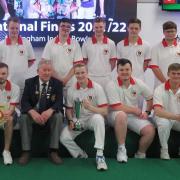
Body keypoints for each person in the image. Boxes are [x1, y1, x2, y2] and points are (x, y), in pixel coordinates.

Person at [60, 63, 108, 171]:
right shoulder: (71, 89)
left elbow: (105, 111)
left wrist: (91, 108)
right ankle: (81, 155)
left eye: (82, 72)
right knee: (64, 137)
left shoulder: (97, 88)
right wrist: (71, 120)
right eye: (77, 73)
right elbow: (69, 109)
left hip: (92, 119)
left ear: (87, 73)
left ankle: (100, 155)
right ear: (75, 75)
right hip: (79, 121)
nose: (80, 75)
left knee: (99, 119)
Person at [105, 59, 155, 162]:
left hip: (132, 116)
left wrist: (147, 112)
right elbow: (116, 106)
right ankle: (121, 150)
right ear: (117, 71)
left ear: (131, 70)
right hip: (113, 115)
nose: (124, 72)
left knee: (150, 131)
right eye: (121, 70)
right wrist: (134, 110)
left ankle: (140, 154)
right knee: (121, 115)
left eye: (127, 69)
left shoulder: (138, 83)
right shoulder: (111, 84)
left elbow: (150, 98)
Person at [18, 60, 64, 165]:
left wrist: (50, 110)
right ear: (38, 71)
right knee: (24, 117)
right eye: (44, 70)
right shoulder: (29, 82)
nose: (47, 73)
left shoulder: (57, 83)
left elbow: (59, 102)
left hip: (49, 116)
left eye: (49, 70)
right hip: (34, 115)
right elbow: (24, 101)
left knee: (58, 116)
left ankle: (53, 151)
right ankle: (26, 151)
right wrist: (32, 112)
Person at [42, 18, 83, 98]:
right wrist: (59, 80)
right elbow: (46, 64)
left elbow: (77, 64)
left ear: (70, 29)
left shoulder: (75, 44)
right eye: (63, 26)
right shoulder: (50, 44)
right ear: (58, 27)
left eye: (68, 27)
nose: (65, 28)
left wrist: (65, 80)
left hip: (71, 83)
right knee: (55, 108)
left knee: (71, 108)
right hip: (54, 82)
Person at [0, 16, 35, 94]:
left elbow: (31, 61)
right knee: (7, 106)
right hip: (6, 84)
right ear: (7, 28)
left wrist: (21, 69)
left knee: (22, 105)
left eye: (17, 28)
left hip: (23, 83)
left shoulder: (26, 42)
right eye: (12, 28)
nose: (15, 30)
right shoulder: (1, 45)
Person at [153, 63, 180, 160]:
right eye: (173, 73)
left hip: (177, 119)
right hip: (163, 118)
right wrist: (176, 117)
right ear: (168, 74)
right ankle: (164, 150)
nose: (176, 76)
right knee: (164, 123)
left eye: (178, 73)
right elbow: (158, 112)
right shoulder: (159, 89)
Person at [82, 17, 116, 89]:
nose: (98, 29)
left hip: (106, 78)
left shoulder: (111, 43)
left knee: (106, 100)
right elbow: (84, 62)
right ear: (93, 27)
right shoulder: (86, 43)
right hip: (91, 77)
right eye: (96, 27)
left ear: (104, 27)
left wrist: (106, 71)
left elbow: (113, 62)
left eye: (101, 27)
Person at [149, 21, 180, 88]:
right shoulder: (155, 48)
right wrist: (166, 83)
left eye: (172, 31)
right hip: (161, 86)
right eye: (168, 31)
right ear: (163, 32)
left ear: (176, 32)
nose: (170, 33)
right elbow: (155, 68)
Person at [0, 62, 20, 165]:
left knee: (10, 119)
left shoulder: (15, 88)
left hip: (9, 112)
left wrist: (7, 113)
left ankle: (6, 151)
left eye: (3, 73)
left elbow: (12, 108)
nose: (1, 76)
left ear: (7, 74)